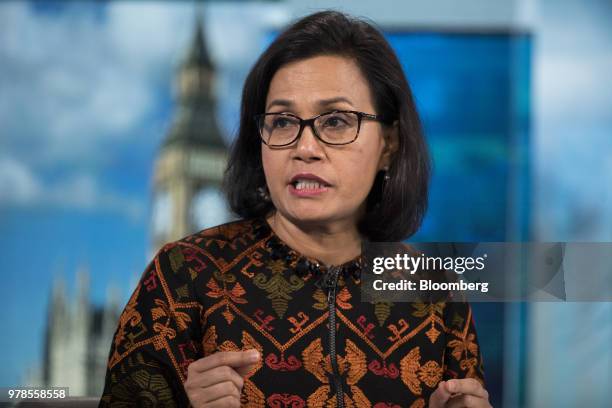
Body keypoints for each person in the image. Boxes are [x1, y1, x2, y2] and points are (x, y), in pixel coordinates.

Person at [99, 10, 491, 408]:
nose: (304, 148)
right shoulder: (183, 276)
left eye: (336, 121)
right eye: (283, 121)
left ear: (388, 145)